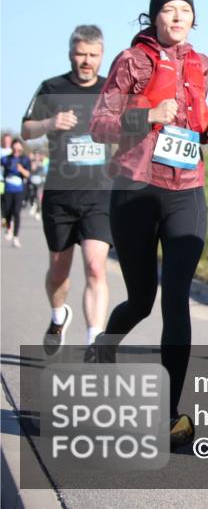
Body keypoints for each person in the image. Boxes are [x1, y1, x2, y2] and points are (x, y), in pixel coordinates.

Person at [89, 0, 208, 450]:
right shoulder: (132, 62)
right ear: (153, 18)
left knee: (176, 298)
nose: (176, 17)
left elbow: (197, 114)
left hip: (187, 190)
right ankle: (106, 342)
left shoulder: (202, 63)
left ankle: (168, 415)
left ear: (193, 19)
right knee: (142, 299)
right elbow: (100, 124)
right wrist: (149, 114)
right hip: (136, 188)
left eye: (184, 11)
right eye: (167, 10)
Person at [22, 26, 114, 354]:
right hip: (60, 193)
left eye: (93, 55)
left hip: (99, 192)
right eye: (81, 54)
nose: (86, 61)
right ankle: (58, 315)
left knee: (94, 266)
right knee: (59, 270)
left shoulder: (111, 90)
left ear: (101, 55)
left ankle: (93, 343)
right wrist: (49, 123)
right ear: (70, 53)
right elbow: (25, 128)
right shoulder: (52, 88)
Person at [1, 139, 32, 248]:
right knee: (7, 212)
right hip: (8, 188)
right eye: (14, 149)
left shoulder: (24, 159)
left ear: (21, 149)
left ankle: (15, 237)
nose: (16, 151)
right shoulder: (5, 159)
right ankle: (8, 228)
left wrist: (21, 170)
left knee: (16, 213)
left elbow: (28, 174)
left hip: (19, 190)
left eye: (18, 149)